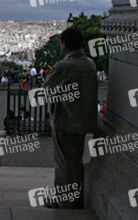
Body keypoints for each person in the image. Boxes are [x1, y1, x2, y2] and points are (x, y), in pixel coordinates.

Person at [43, 27, 98, 209]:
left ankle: (65, 200)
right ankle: (77, 196)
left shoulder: (64, 66)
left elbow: (47, 90)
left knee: (63, 163)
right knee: (76, 161)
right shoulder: (89, 63)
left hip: (65, 120)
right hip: (84, 120)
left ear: (64, 45)